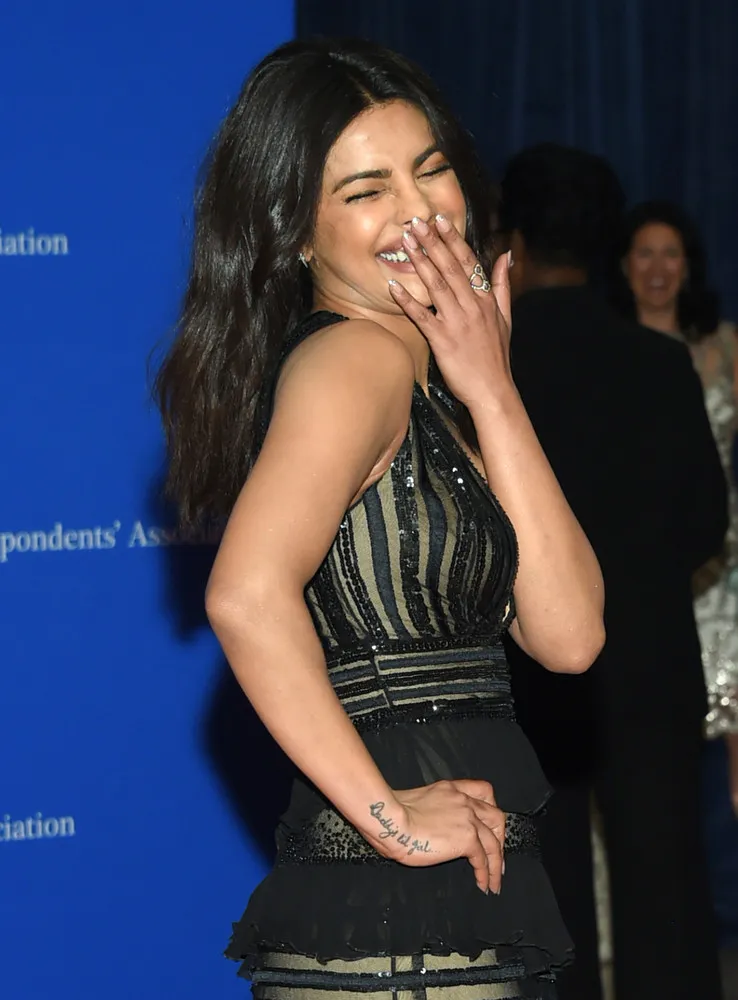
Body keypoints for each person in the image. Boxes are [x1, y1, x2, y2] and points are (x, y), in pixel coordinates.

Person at [155, 42, 605, 999]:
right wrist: (390, 820)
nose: (418, 209)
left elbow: (568, 636)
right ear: (300, 233)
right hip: (402, 916)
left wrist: (492, 390)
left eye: (431, 167)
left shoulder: (436, 384)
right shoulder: (353, 361)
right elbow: (243, 594)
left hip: (458, 889)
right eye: (367, 190)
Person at [497, 144, 727, 1000]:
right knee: (663, 891)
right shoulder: (660, 365)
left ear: (509, 241)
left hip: (525, 673)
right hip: (651, 660)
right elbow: (708, 521)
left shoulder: (487, 375)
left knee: (543, 902)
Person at [618, 199, 738, 957]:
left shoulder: (724, 349)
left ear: (688, 265)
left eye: (672, 253)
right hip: (649, 585)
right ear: (624, 265)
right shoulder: (609, 351)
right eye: (644, 253)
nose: (659, 268)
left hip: (728, 576)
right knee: (643, 782)